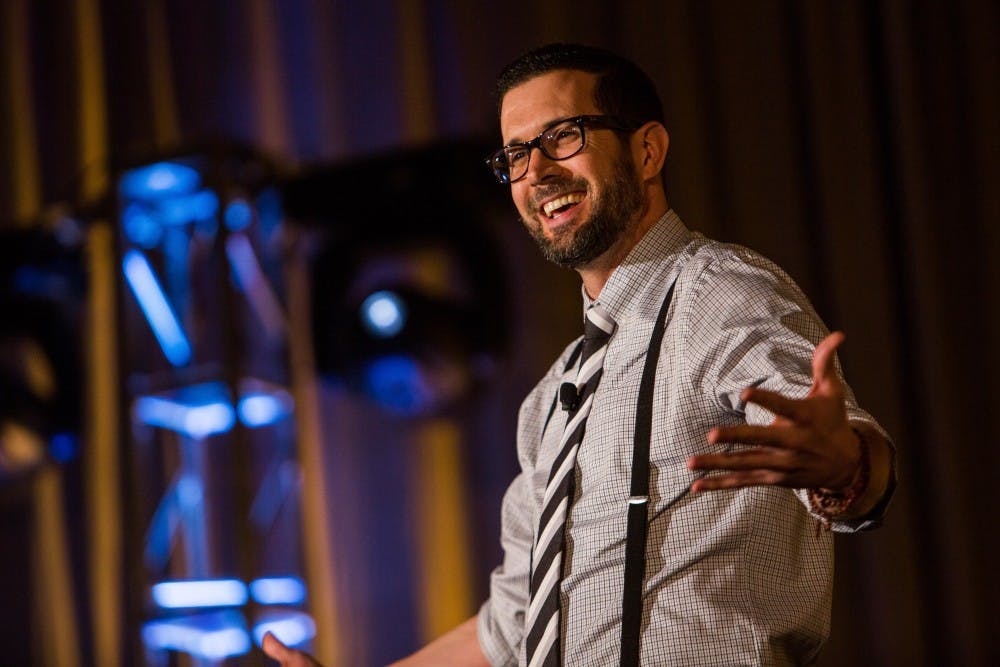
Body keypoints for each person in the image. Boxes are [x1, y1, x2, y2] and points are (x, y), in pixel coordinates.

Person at [264, 43, 896, 667]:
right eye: (515, 153)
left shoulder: (721, 295)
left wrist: (845, 467)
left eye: (563, 136)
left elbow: (849, 452)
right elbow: (512, 623)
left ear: (646, 151)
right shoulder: (554, 394)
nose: (536, 172)